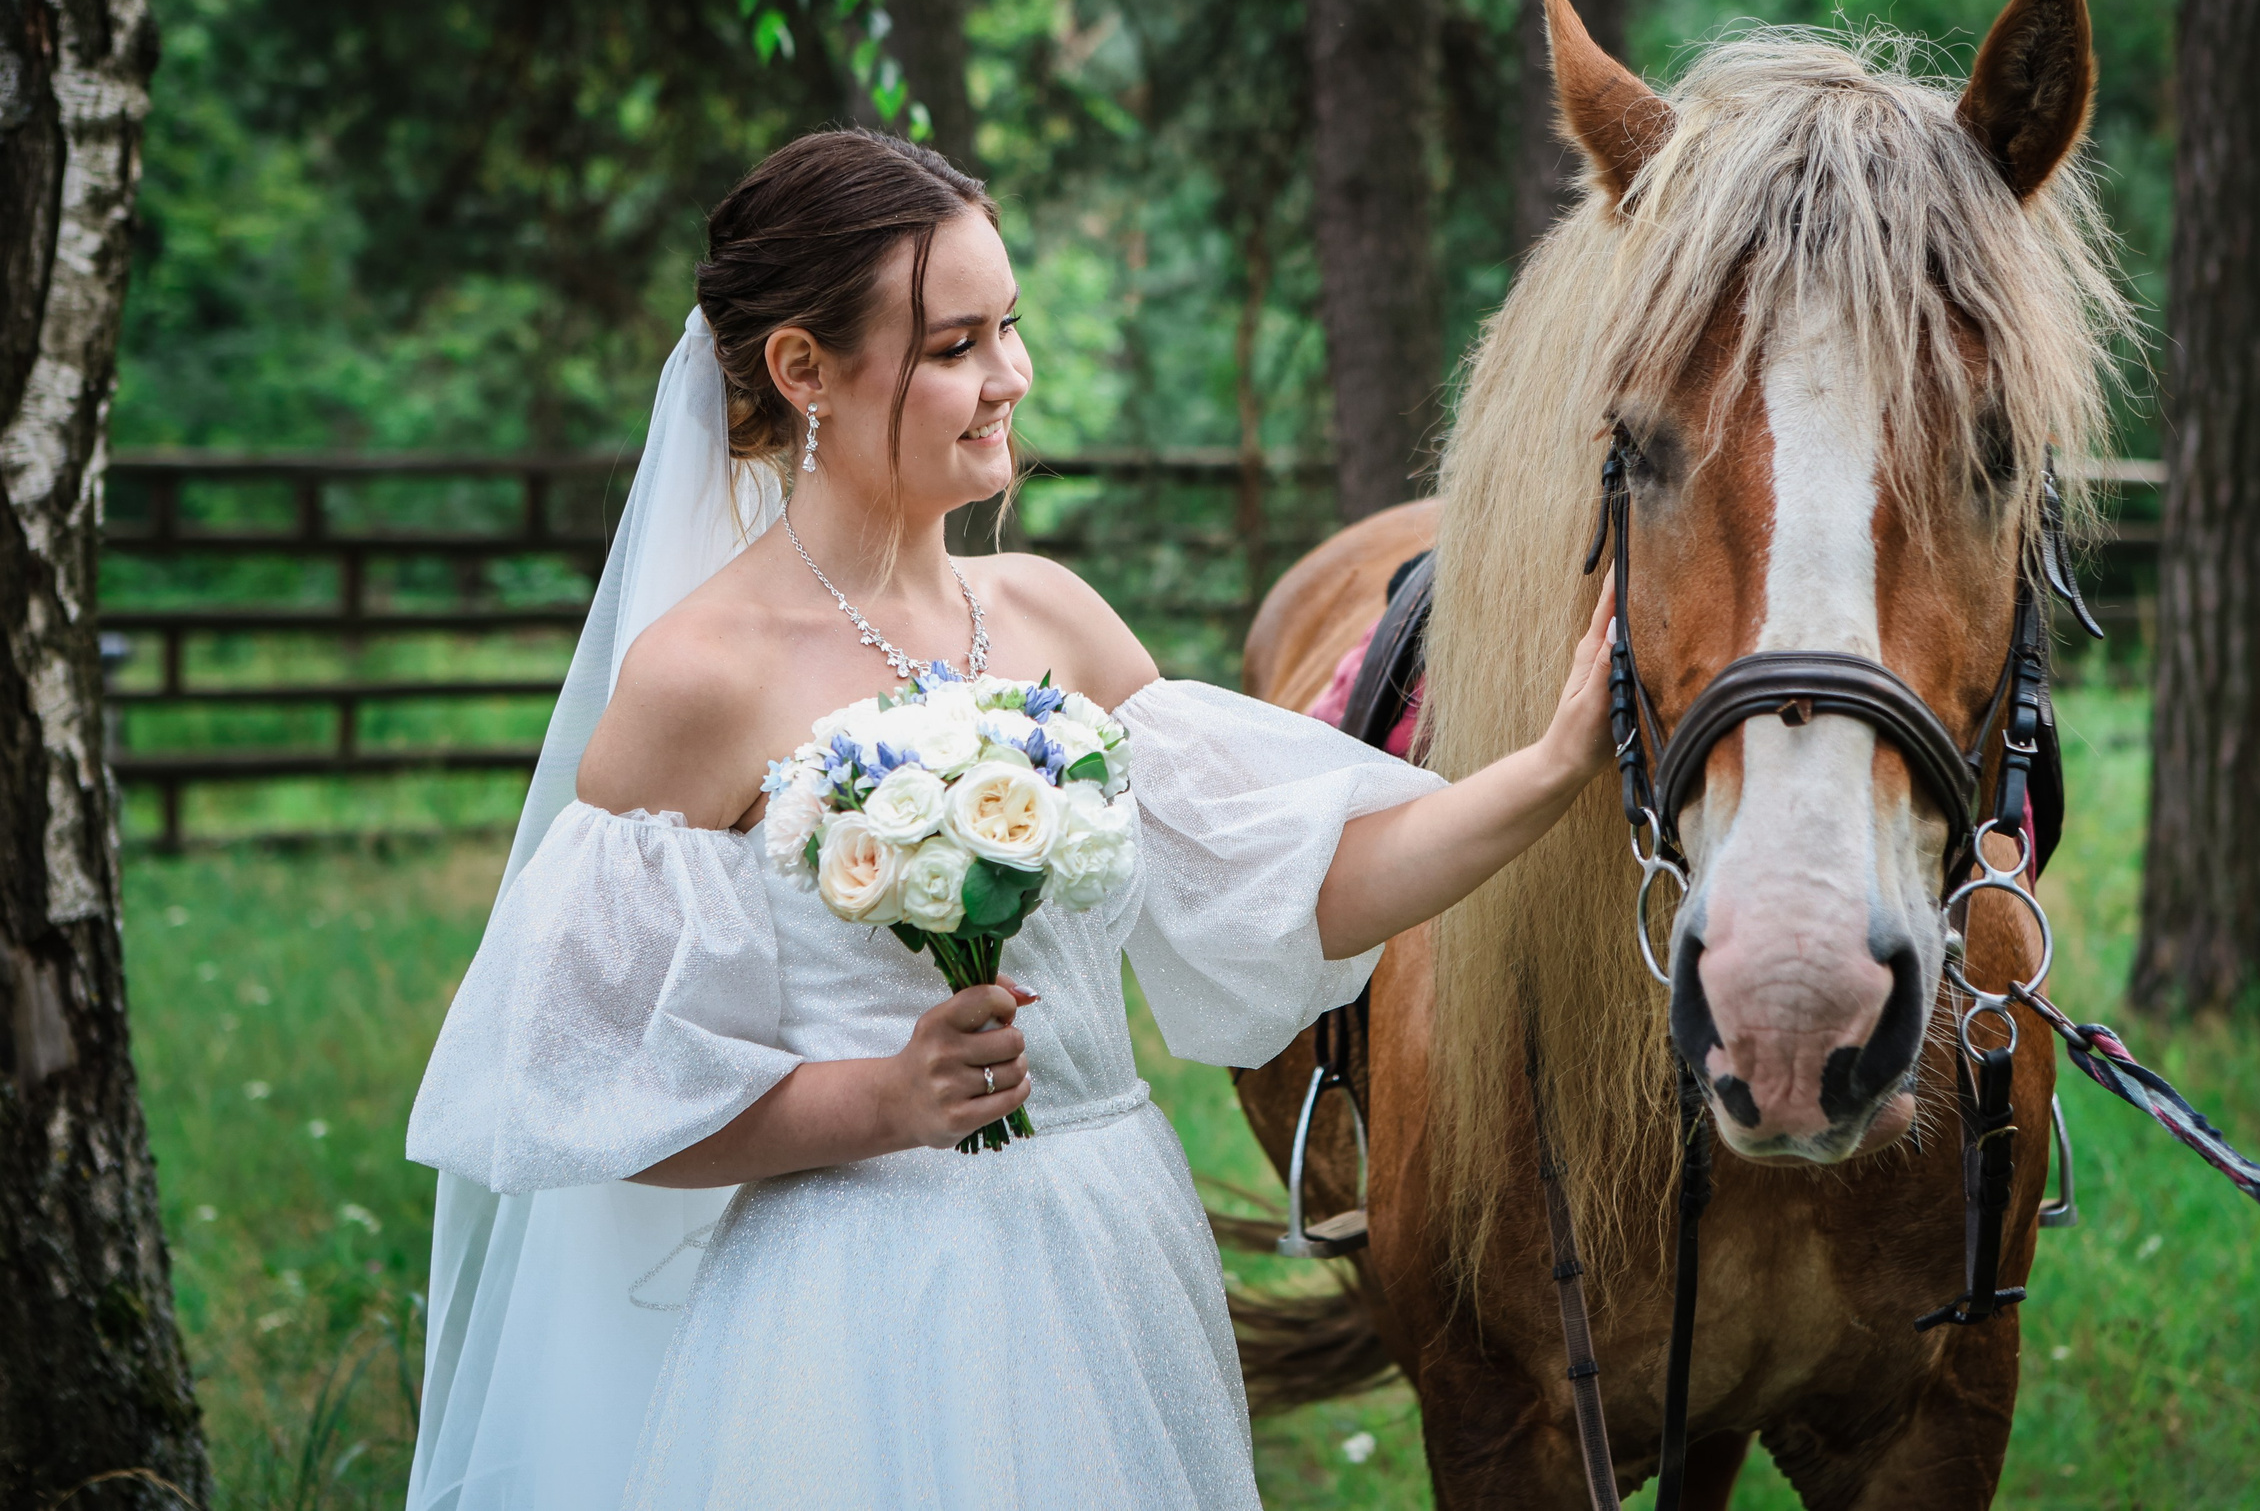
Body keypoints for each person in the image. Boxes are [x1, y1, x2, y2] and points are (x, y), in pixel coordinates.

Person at [405, 129, 1613, 1509]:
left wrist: (1552, 767)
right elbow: (581, 1087)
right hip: (852, 1303)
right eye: (954, 345)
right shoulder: (701, 675)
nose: (1011, 379)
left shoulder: (1050, 615)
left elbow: (1302, 881)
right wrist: (877, 1099)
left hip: (1107, 1252)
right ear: (803, 369)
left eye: (1011, 328)